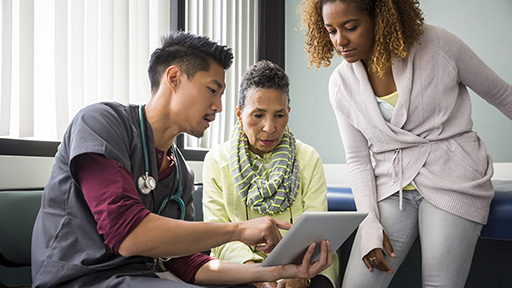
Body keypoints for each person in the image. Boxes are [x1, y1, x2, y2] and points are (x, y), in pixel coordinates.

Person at [31, 31, 333, 288]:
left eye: (221, 95)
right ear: (174, 78)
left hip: (141, 279)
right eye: (212, 90)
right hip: (80, 279)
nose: (218, 106)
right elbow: (127, 233)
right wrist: (239, 230)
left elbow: (189, 262)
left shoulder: (180, 171)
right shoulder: (101, 123)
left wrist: (274, 271)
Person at [298, 0, 512, 287]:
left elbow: (503, 96)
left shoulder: (438, 45)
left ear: (380, 17)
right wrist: (369, 222)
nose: (340, 41)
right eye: (331, 30)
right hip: (392, 186)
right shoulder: (340, 84)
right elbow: (359, 160)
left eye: (350, 27)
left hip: (453, 178)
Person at [202, 60, 339, 288]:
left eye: (279, 115)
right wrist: (254, 273)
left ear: (288, 113)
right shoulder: (217, 161)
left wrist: (298, 272)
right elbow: (218, 238)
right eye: (258, 115)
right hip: (242, 267)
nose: (269, 127)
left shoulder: (308, 157)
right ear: (239, 114)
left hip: (307, 264)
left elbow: (317, 230)